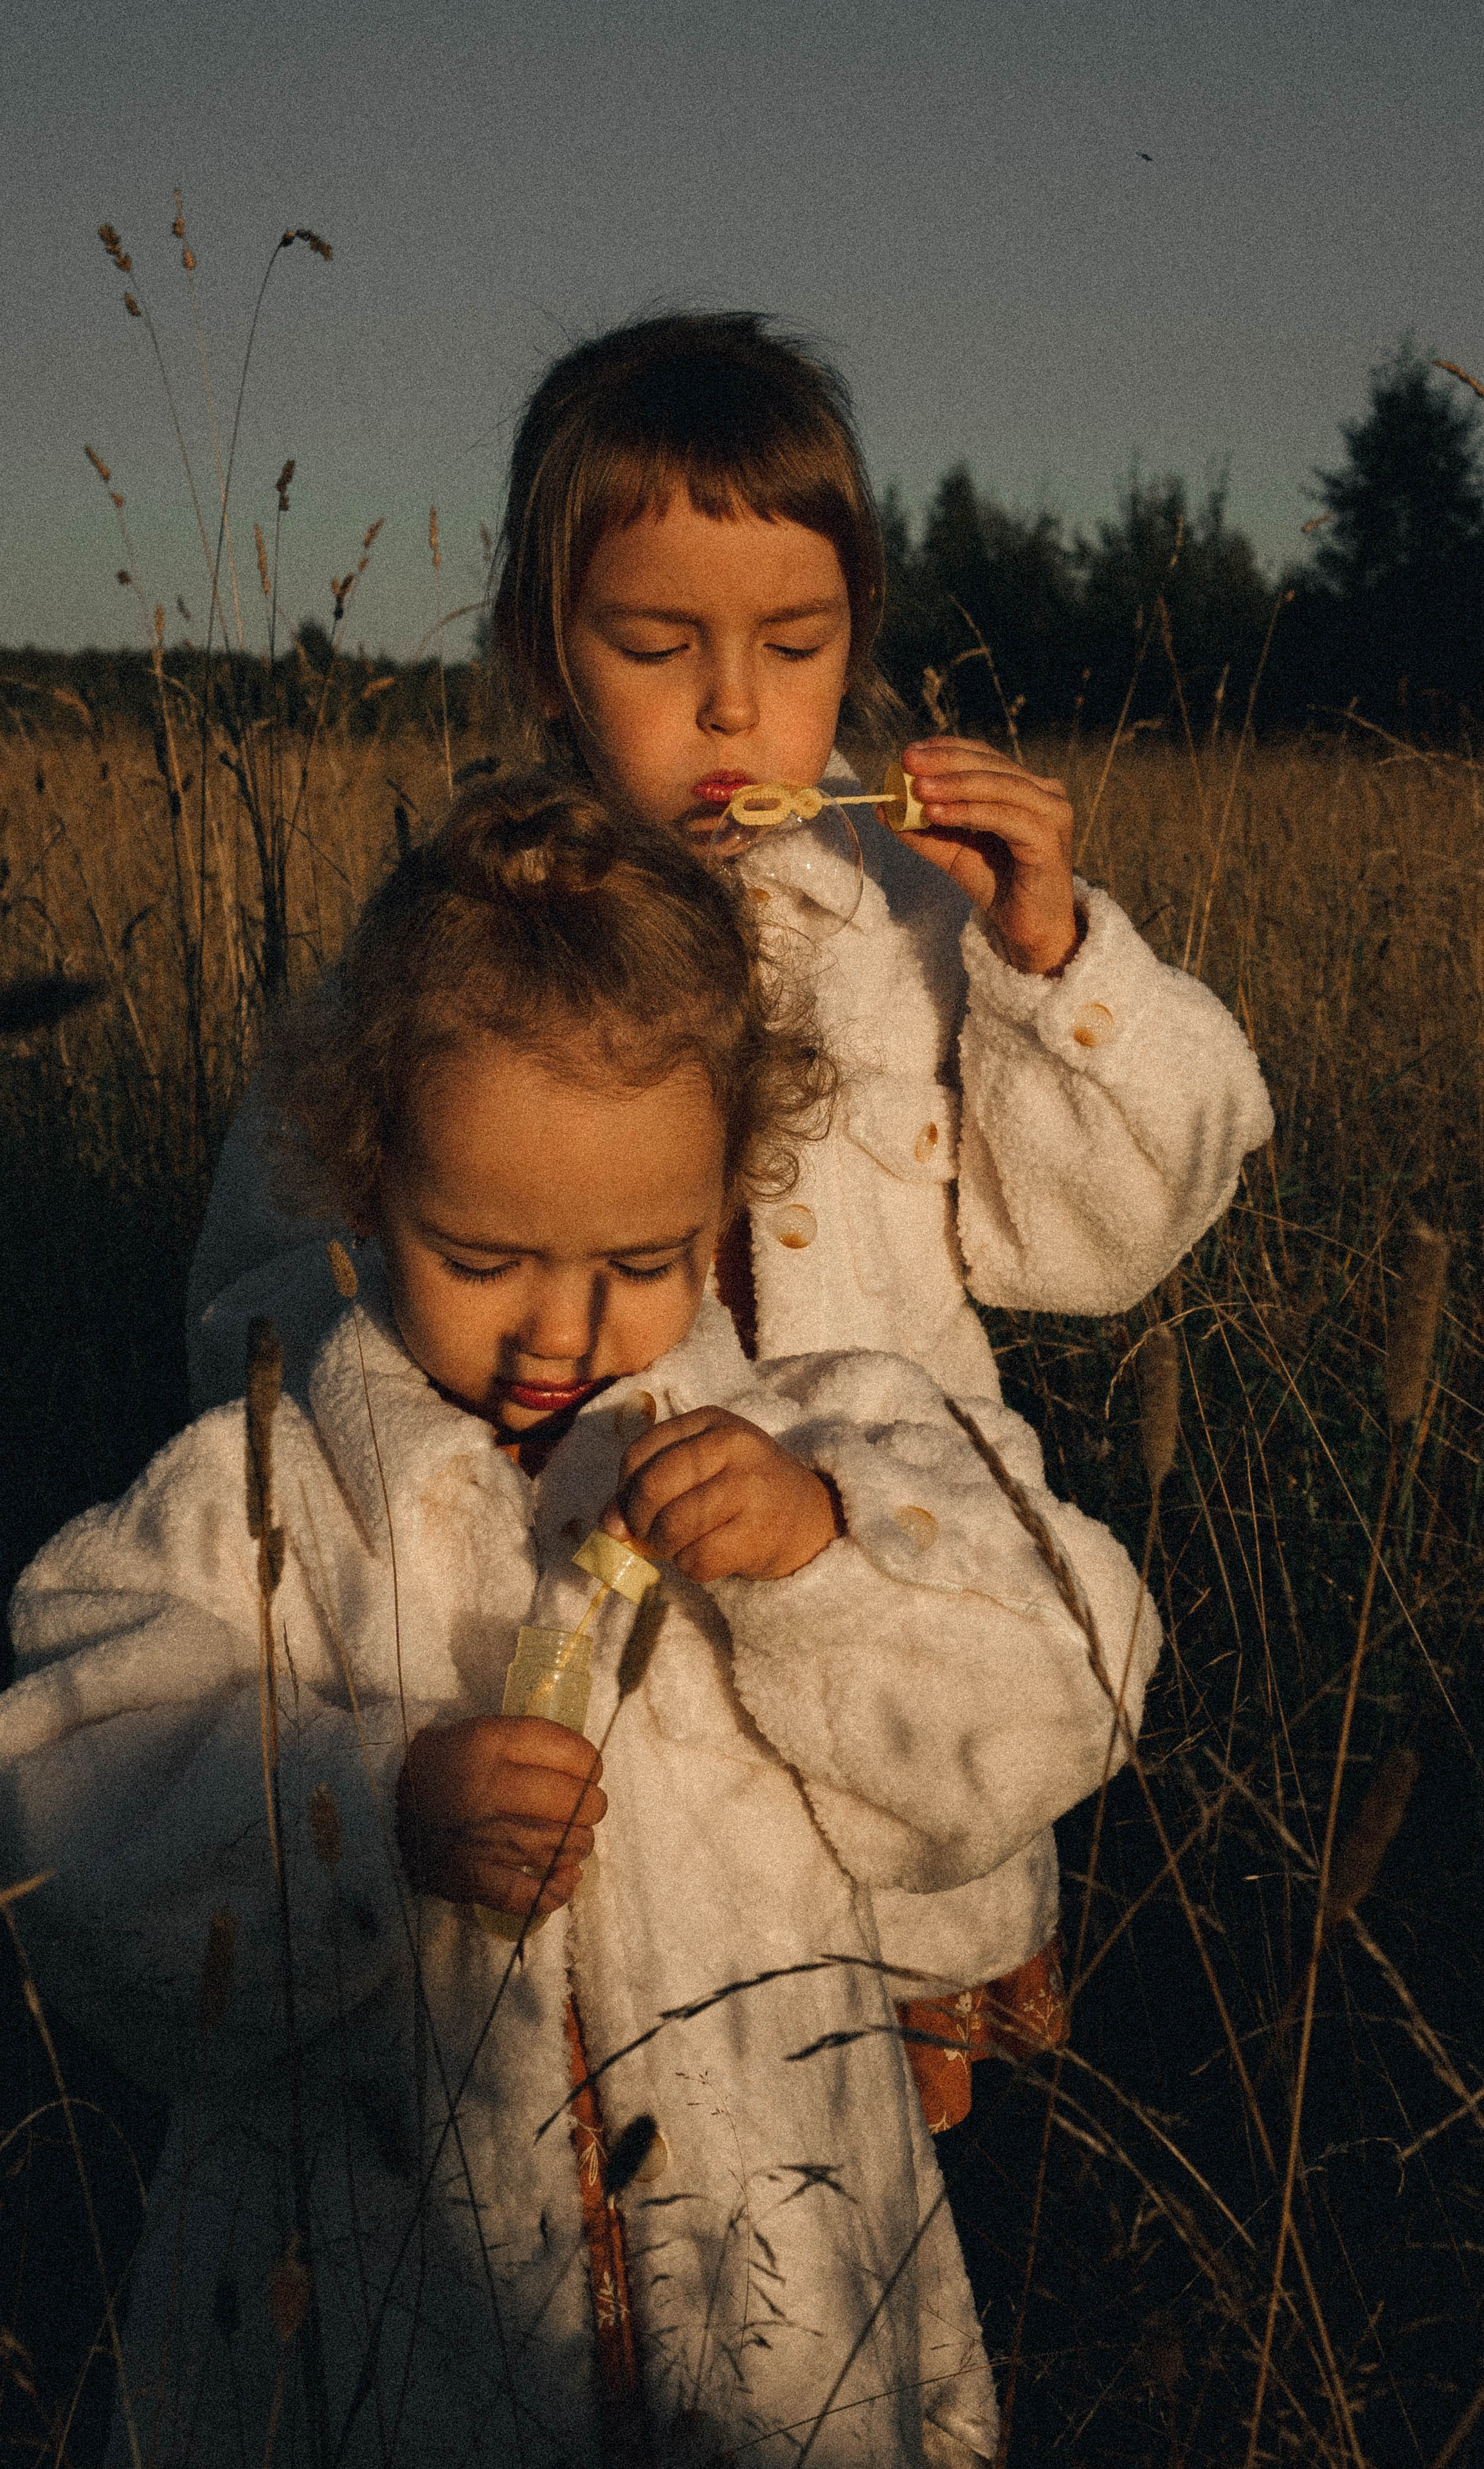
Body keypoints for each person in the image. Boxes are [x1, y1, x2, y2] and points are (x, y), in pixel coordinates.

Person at [183, 312, 1272, 2119]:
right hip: (575, 1689)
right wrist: (456, 1385)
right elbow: (254, 1303)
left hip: (884, 1646)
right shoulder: (451, 950)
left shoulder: (916, 932)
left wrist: (1051, 957)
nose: (733, 704)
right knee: (617, 2118)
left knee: (857, 2199)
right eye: (655, 641)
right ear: (543, 644)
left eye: (795, 644)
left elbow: (1112, 1234)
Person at [2, 781, 1161, 2468]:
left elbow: (1081, 1669)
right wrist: (364, 1806)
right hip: (382, 2350)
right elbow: (61, 1800)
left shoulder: (832, 1434)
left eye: (643, 1259)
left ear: (733, 1190)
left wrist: (828, 1548)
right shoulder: (273, 1493)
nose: (564, 1328)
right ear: (361, 1173)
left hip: (784, 2317)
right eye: (481, 1256)